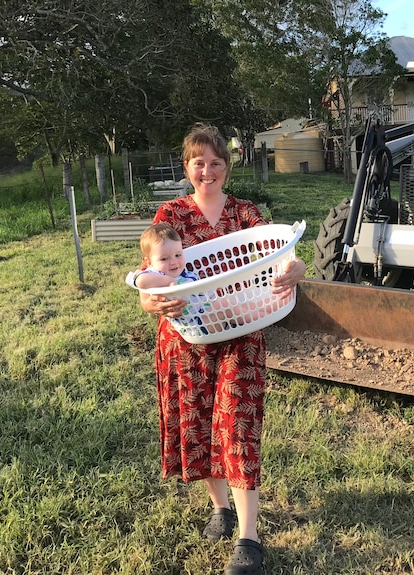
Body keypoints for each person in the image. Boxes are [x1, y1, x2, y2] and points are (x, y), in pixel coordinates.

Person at [138, 124, 306, 575]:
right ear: (187, 166)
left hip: (241, 333)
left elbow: (280, 249)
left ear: (227, 168)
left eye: (216, 163)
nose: (207, 171)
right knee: (198, 425)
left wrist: (297, 268)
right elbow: (146, 281)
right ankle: (220, 508)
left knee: (236, 425)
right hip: (187, 338)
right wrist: (152, 298)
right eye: (199, 163)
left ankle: (249, 538)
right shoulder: (170, 215)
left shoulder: (245, 213)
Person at [133, 223, 199, 290]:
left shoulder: (188, 275)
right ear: (149, 262)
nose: (173, 262)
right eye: (164, 259)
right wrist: (169, 281)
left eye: (177, 255)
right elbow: (140, 281)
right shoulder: (155, 274)